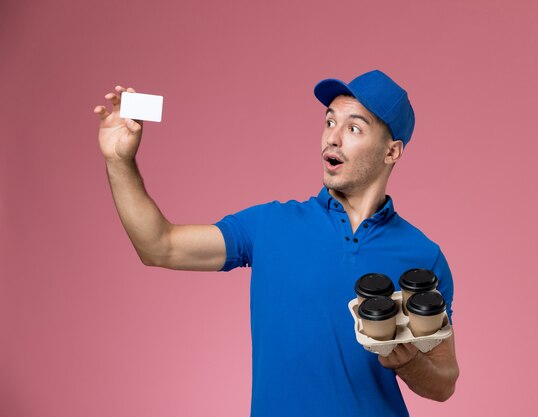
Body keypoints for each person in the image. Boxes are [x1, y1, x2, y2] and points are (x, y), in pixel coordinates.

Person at [93, 69, 459, 417]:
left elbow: (443, 382)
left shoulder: (422, 257)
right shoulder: (270, 224)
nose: (332, 137)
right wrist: (118, 161)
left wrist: (409, 361)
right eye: (330, 121)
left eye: (354, 128)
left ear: (391, 152)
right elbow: (159, 246)